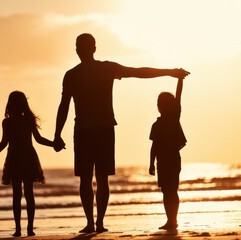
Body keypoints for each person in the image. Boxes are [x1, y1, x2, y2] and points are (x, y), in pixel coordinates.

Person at [53, 33, 190, 233]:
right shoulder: (97, 70)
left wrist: (57, 134)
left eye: (79, 47)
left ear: (83, 50)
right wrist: (169, 72)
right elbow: (139, 72)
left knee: (90, 178)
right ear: (93, 49)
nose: (79, 50)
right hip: (99, 130)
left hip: (88, 130)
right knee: (98, 178)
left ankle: (94, 223)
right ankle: (96, 223)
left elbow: (139, 72)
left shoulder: (76, 74)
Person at [0, 91, 54, 237]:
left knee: (17, 195)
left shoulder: (8, 122)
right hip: (27, 158)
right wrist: (54, 144)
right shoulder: (28, 120)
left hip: (15, 158)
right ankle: (29, 228)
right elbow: (39, 139)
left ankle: (18, 229)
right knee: (29, 194)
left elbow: (4, 143)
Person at [149, 77, 187, 230]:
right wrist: (151, 163)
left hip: (172, 159)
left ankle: (173, 220)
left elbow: (179, 96)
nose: (160, 107)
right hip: (162, 162)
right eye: (159, 104)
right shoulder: (156, 125)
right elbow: (154, 146)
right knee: (166, 191)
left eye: (163, 104)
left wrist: (179, 80)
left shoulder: (173, 118)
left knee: (173, 190)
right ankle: (170, 220)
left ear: (169, 106)